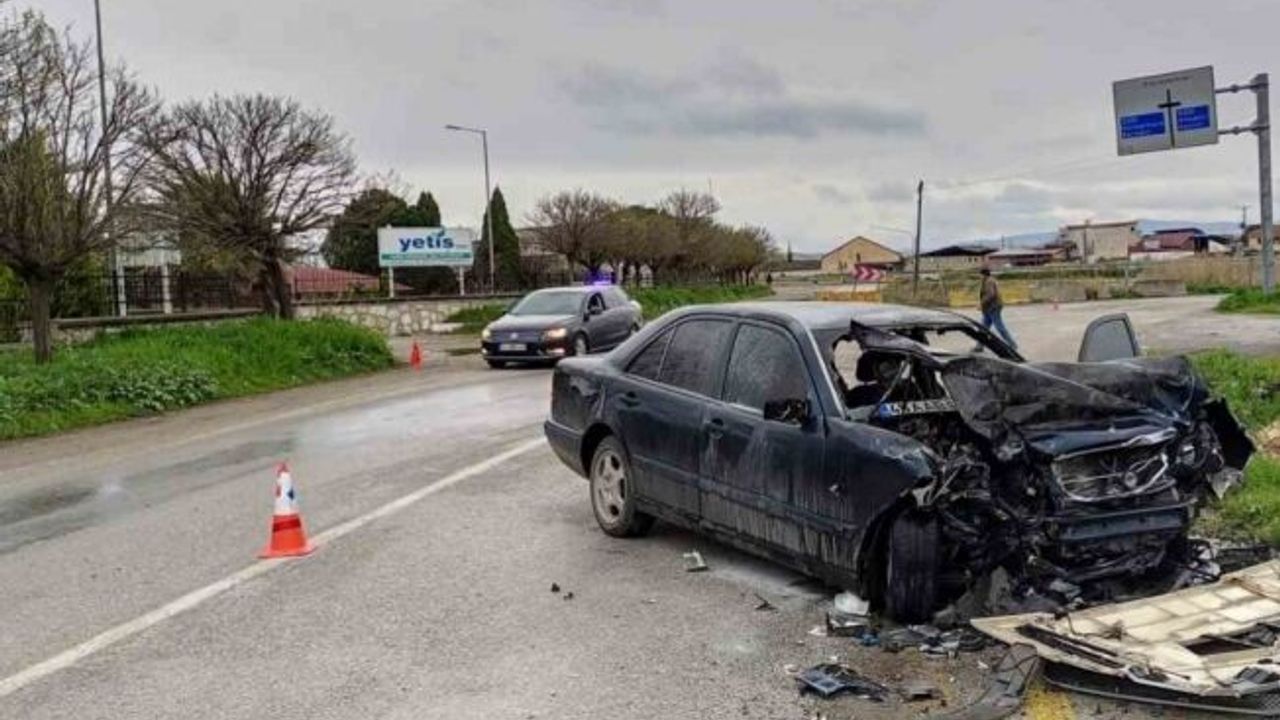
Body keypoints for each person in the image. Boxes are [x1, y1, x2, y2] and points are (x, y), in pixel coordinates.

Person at [979, 267, 1017, 350]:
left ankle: (1012, 344)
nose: (979, 277)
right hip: (989, 308)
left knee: (999, 327)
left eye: (980, 275)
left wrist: (981, 303)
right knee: (983, 327)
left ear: (984, 274)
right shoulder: (988, 280)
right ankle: (979, 346)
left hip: (993, 307)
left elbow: (991, 294)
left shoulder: (989, 281)